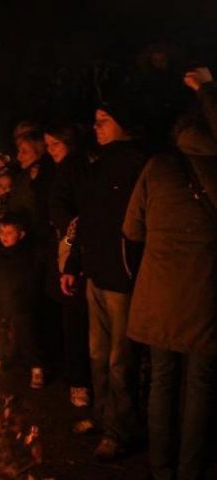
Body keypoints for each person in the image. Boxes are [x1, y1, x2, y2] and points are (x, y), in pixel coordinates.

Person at [123, 67, 217, 480]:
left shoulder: (157, 167)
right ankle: (189, 470)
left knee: (161, 379)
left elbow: (131, 230)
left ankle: (160, 469)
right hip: (204, 295)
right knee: (199, 384)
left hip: (157, 295)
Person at [61, 102, 146, 461]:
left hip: (122, 280)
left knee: (119, 361)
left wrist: (130, 268)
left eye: (103, 121)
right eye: (94, 122)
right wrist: (74, 262)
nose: (96, 127)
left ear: (123, 124)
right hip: (95, 276)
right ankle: (103, 417)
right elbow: (87, 219)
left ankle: (118, 432)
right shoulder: (98, 166)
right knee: (98, 356)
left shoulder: (138, 166)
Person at [45, 124, 91, 408]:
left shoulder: (76, 169)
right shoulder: (62, 169)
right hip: (67, 246)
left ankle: (80, 382)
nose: (51, 151)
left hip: (76, 248)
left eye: (56, 145)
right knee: (71, 313)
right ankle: (76, 377)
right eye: (48, 145)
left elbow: (78, 213)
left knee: (75, 315)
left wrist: (72, 232)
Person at [0, 215, 44, 388]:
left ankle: (36, 367)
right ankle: (0, 359)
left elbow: (34, 280)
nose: (4, 236)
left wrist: (28, 298)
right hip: (0, 301)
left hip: (23, 302)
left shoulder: (29, 254)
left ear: (21, 234)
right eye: (2, 231)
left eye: (9, 232)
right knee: (0, 335)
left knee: (27, 335)